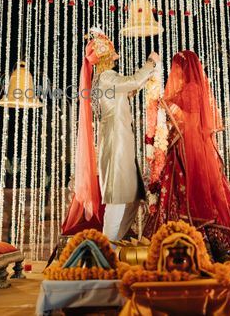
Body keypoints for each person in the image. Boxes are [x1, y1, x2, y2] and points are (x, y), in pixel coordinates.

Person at [143, 50, 230, 253]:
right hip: (181, 147)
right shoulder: (188, 89)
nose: (175, 72)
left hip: (188, 149)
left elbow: (180, 116)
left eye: (177, 67)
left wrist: (159, 99)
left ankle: (202, 242)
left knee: (196, 191)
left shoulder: (192, 89)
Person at [62, 27, 159, 242]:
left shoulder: (103, 80)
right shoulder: (107, 78)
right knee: (118, 199)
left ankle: (112, 246)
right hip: (116, 143)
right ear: (106, 58)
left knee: (132, 198)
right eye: (113, 54)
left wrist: (143, 80)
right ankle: (107, 250)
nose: (116, 58)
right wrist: (150, 64)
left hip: (118, 141)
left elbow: (127, 90)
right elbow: (132, 82)